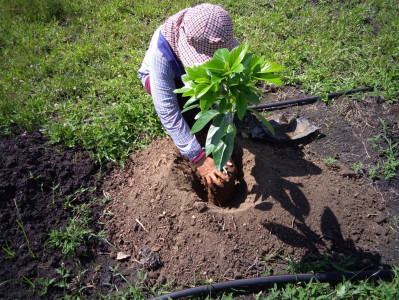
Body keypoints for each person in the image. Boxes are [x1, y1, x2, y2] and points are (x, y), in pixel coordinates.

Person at [138, 3, 239, 189]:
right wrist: (198, 158)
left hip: (192, 80)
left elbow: (228, 95)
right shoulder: (162, 52)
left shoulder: (215, 36)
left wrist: (223, 142)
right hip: (164, 80)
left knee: (213, 106)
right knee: (186, 115)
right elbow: (167, 111)